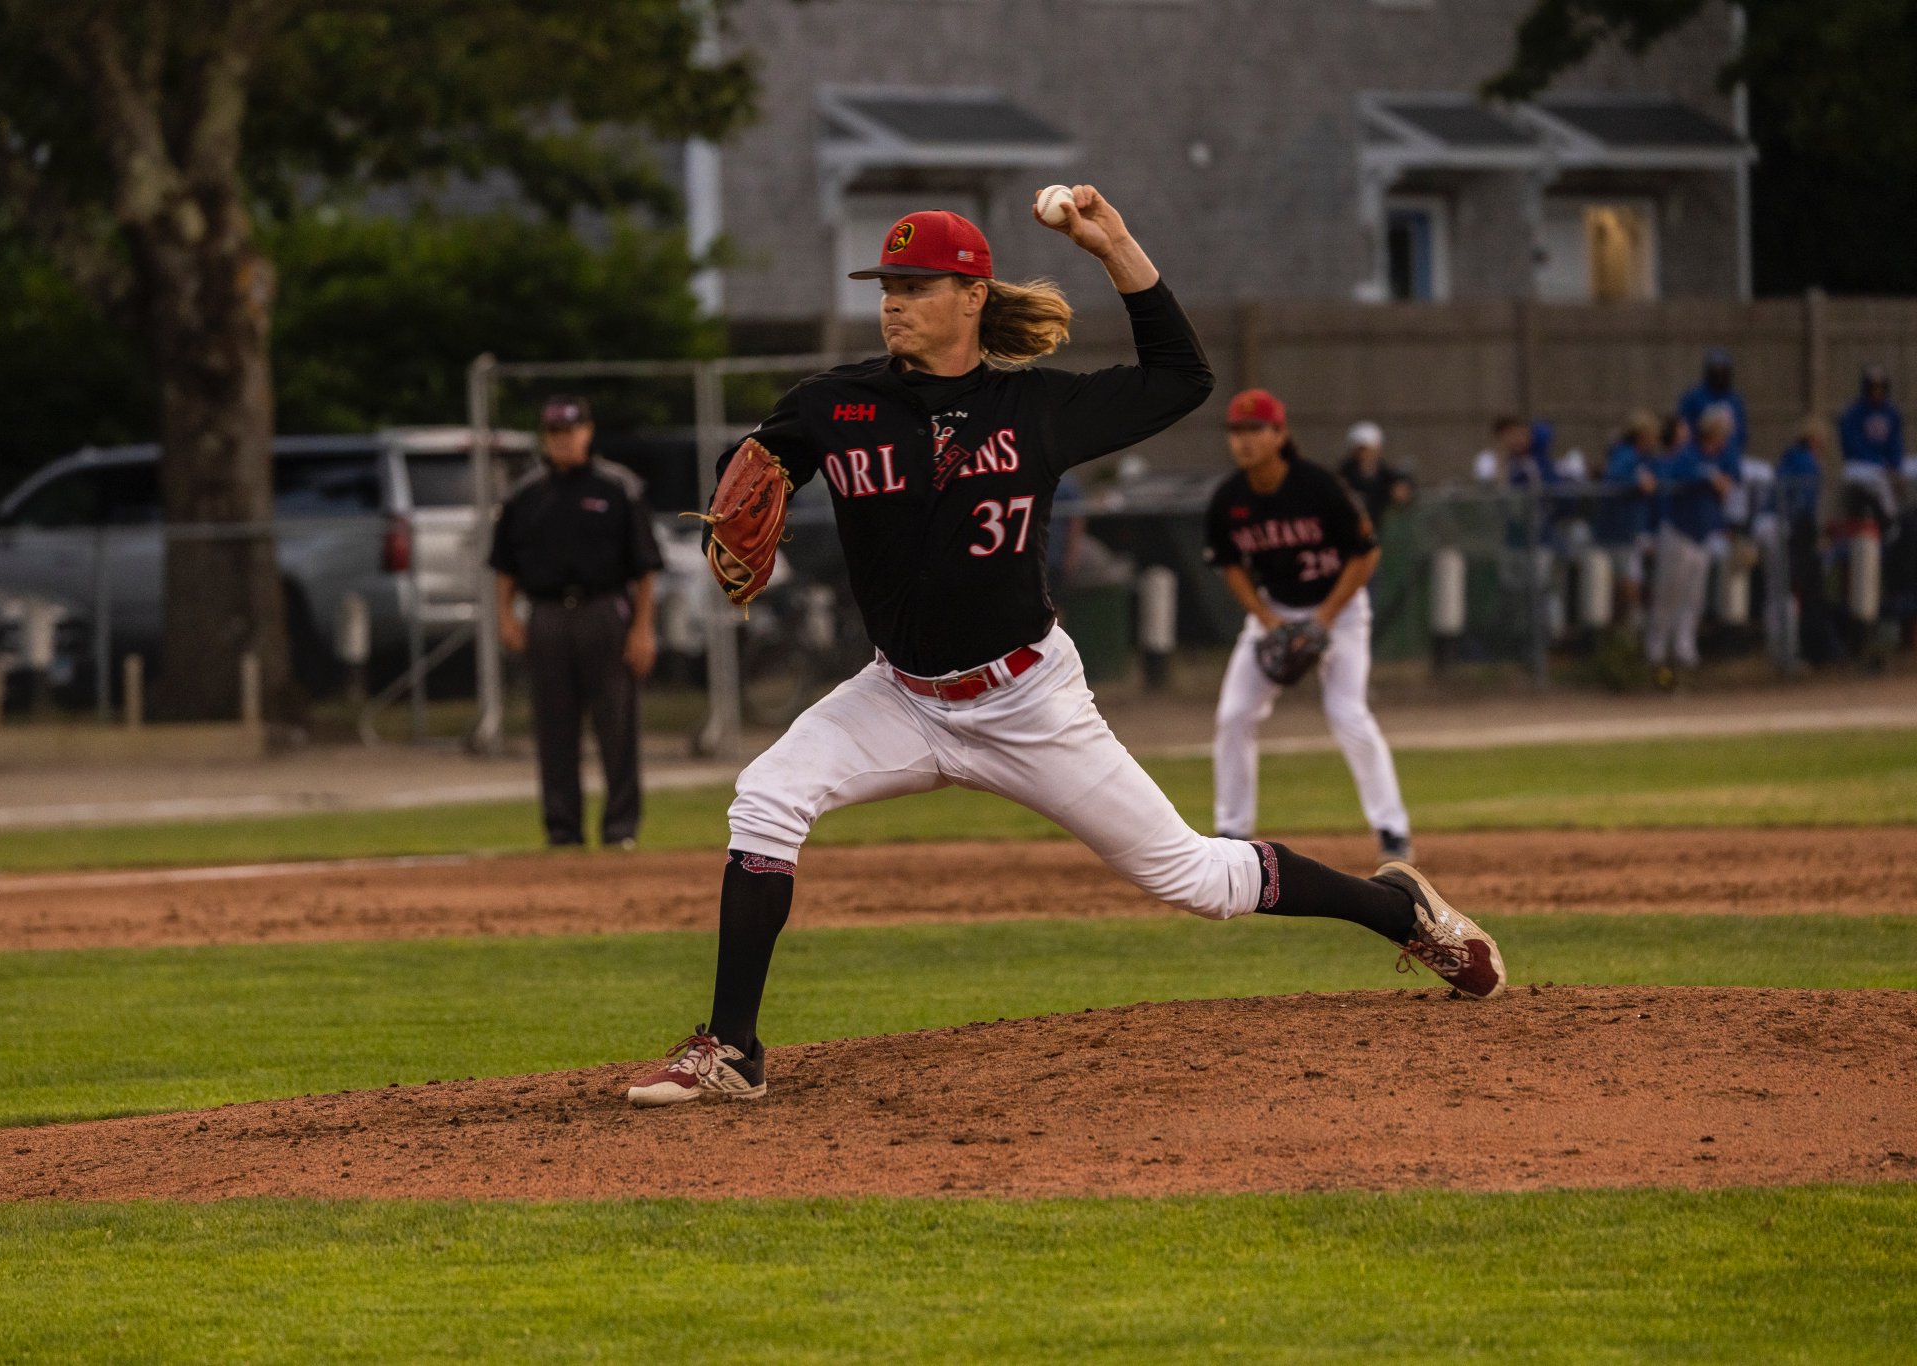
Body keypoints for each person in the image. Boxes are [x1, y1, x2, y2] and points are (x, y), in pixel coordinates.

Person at [625, 190, 1505, 1106]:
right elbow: (757, 474)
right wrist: (744, 489)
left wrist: (1114, 243)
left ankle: (1399, 911)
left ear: (972, 298)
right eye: (887, 284)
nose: (893, 300)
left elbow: (1181, 378)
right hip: (899, 695)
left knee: (1195, 877)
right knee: (766, 797)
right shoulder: (834, 406)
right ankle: (733, 1051)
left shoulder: (1036, 408)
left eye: (917, 285)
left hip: (1027, 699)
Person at [1209, 390, 1413, 863]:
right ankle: (1232, 833)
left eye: (1255, 429)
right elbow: (1229, 564)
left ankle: (1392, 829)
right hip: (1274, 611)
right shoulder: (1229, 499)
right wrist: (1266, 619)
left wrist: (1324, 618)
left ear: (1280, 435)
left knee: (1348, 713)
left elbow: (1367, 552)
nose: (1243, 440)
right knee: (1234, 714)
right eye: (1236, 431)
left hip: (1339, 610)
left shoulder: (1318, 486)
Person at [489, 397, 663, 848]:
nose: (564, 440)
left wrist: (643, 628)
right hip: (545, 614)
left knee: (617, 724)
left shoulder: (618, 487)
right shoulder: (525, 494)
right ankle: (563, 831)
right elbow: (505, 564)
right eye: (555, 433)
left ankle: (620, 830)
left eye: (571, 431)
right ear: (546, 438)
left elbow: (645, 566)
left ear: (588, 431)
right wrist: (505, 615)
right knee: (554, 727)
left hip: (604, 612)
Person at [1645, 407, 1737, 682]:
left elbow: (1732, 477)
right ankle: (1656, 650)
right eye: (1720, 433)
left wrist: (1721, 482)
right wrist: (1708, 478)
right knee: (1668, 593)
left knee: (1693, 597)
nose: (1723, 438)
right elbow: (1680, 474)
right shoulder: (1689, 452)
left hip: (1703, 536)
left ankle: (1685, 649)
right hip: (1678, 533)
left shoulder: (1720, 455)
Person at [1777, 417, 1839, 665]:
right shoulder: (1808, 463)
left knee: (1781, 593)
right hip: (1796, 531)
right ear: (1815, 441)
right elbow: (1804, 506)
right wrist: (1815, 536)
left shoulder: (1788, 458)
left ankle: (1786, 651)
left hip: (1778, 527)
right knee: (1795, 592)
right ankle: (1793, 652)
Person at [1598, 409, 1665, 616]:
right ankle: (1627, 628)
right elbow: (1614, 477)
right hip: (1619, 530)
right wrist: (1637, 483)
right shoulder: (1625, 454)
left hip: (1634, 530)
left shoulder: (1645, 459)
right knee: (1626, 581)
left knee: (1634, 578)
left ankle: (1630, 626)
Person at [1838, 364, 1905, 527]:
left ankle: (1898, 524)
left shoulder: (1891, 414)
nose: (1877, 392)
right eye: (1873, 387)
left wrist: (1895, 465)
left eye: (1880, 387)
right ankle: (1890, 521)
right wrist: (1880, 464)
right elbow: (1851, 446)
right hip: (1860, 466)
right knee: (1879, 486)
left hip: (1883, 469)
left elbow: (1895, 444)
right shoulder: (1853, 414)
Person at [1336, 421, 1414, 528]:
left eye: (1368, 449)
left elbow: (1406, 497)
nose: (1364, 454)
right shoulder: (1341, 477)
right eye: (1361, 450)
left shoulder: (1388, 477)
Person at [1678, 348, 1748, 465]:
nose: (1719, 377)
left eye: (1723, 372)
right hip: (1701, 458)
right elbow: (1685, 430)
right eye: (1716, 372)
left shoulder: (1734, 399)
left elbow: (1741, 432)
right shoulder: (1694, 397)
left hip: (1730, 458)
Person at [1472, 415, 1529, 483]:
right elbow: (1490, 488)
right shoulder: (1486, 459)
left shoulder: (1525, 460)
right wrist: (1502, 459)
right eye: (1514, 435)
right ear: (1501, 436)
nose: (1519, 439)